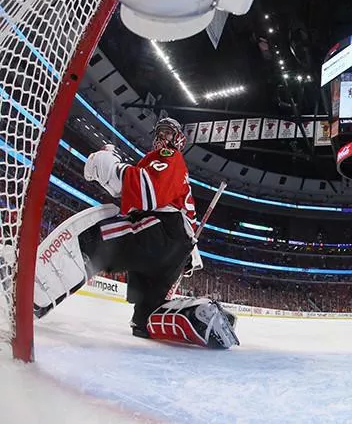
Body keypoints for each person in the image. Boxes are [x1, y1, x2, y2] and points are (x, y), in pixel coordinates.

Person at [34, 118, 238, 349]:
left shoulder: (169, 158)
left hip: (163, 233)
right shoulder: (162, 165)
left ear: (178, 140)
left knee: (94, 240)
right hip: (177, 249)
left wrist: (111, 166)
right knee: (145, 319)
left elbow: (146, 189)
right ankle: (175, 319)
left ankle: (34, 296)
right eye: (159, 132)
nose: (162, 138)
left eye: (168, 133)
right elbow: (138, 194)